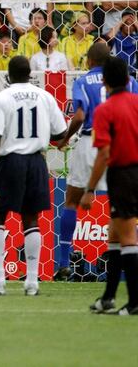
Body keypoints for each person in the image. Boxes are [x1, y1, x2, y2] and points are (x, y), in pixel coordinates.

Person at [0, 56, 68, 296]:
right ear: (30, 74)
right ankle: (32, 282)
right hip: (36, 161)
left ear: (8, 76)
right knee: (31, 219)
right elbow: (60, 136)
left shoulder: (1, 98)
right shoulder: (46, 97)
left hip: (9, 161)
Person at [54, 44, 136, 281]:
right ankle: (123, 266)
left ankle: (63, 263)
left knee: (71, 201)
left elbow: (79, 116)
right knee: (122, 207)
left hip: (90, 143)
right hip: (121, 144)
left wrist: (65, 139)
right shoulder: (128, 80)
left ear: (89, 60)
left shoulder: (83, 81)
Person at [81, 57, 138, 315]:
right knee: (113, 235)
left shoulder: (105, 110)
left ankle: (135, 302)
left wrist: (90, 189)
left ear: (104, 82)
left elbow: (103, 153)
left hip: (123, 175)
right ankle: (108, 298)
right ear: (128, 79)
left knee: (126, 237)